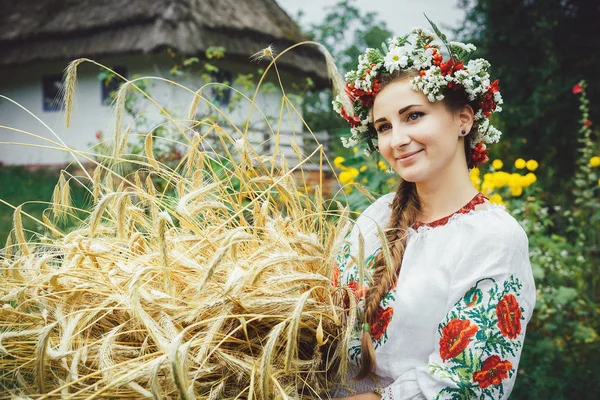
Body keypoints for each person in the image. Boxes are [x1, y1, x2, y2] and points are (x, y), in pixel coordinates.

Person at [328, 25, 536, 400]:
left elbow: (468, 385)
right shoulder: (375, 217)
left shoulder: (492, 239)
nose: (397, 139)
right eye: (384, 127)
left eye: (413, 116)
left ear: (464, 120)